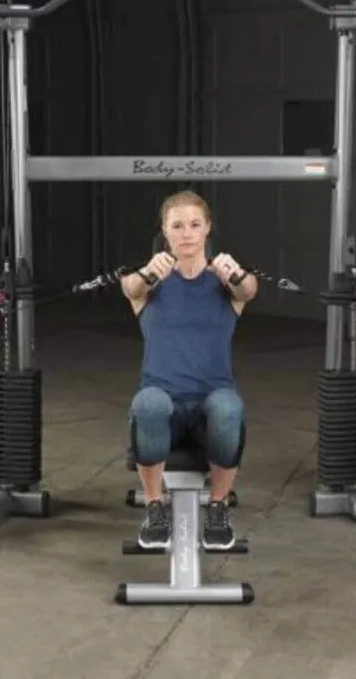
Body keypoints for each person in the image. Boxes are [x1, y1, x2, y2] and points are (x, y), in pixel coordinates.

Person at [119, 190, 258, 550]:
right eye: (177, 225)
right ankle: (154, 508)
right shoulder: (150, 284)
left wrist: (237, 273)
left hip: (211, 406)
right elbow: (129, 286)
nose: (186, 233)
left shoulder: (225, 283)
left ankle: (218, 507)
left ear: (208, 229)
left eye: (195, 224)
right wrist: (149, 272)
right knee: (147, 402)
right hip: (163, 404)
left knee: (230, 405)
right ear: (165, 231)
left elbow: (249, 291)